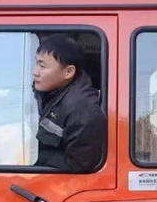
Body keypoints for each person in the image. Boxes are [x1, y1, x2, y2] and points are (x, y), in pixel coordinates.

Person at [32, 35, 107, 172]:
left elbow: (78, 165)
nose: (35, 72)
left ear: (68, 72)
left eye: (42, 66)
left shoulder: (82, 110)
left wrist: (33, 155)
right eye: (36, 63)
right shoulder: (48, 90)